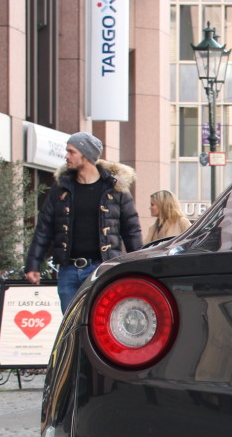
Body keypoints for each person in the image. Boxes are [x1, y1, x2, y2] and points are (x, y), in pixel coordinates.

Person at [24, 132, 143, 311]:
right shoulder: (61, 189)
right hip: (68, 270)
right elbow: (44, 229)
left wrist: (139, 269)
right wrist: (33, 265)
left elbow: (131, 230)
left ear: (86, 155)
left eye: (71, 152)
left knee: (101, 322)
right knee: (70, 327)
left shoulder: (115, 189)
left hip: (103, 269)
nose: (66, 156)